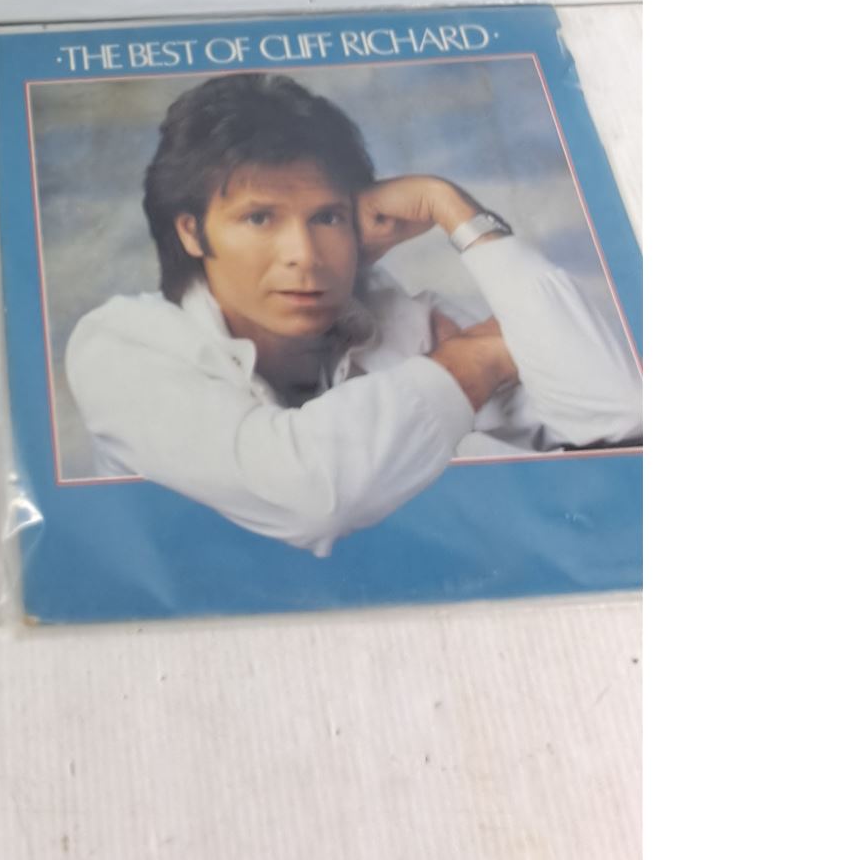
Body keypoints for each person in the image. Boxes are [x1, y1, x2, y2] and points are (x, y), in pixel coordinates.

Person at [64, 73, 643, 556]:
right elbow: (311, 497)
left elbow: (621, 417)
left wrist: (451, 207)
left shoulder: (404, 321)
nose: (303, 255)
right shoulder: (122, 346)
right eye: (260, 218)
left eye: (327, 218)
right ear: (192, 232)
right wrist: (475, 362)